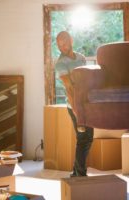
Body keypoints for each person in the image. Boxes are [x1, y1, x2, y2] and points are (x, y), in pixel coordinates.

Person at [55, 31, 93, 177]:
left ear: (71, 40)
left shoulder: (81, 58)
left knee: (86, 138)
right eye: (59, 45)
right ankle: (80, 175)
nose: (62, 47)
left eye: (64, 43)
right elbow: (69, 89)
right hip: (75, 106)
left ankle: (76, 173)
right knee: (84, 139)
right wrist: (77, 111)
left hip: (87, 104)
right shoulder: (61, 63)